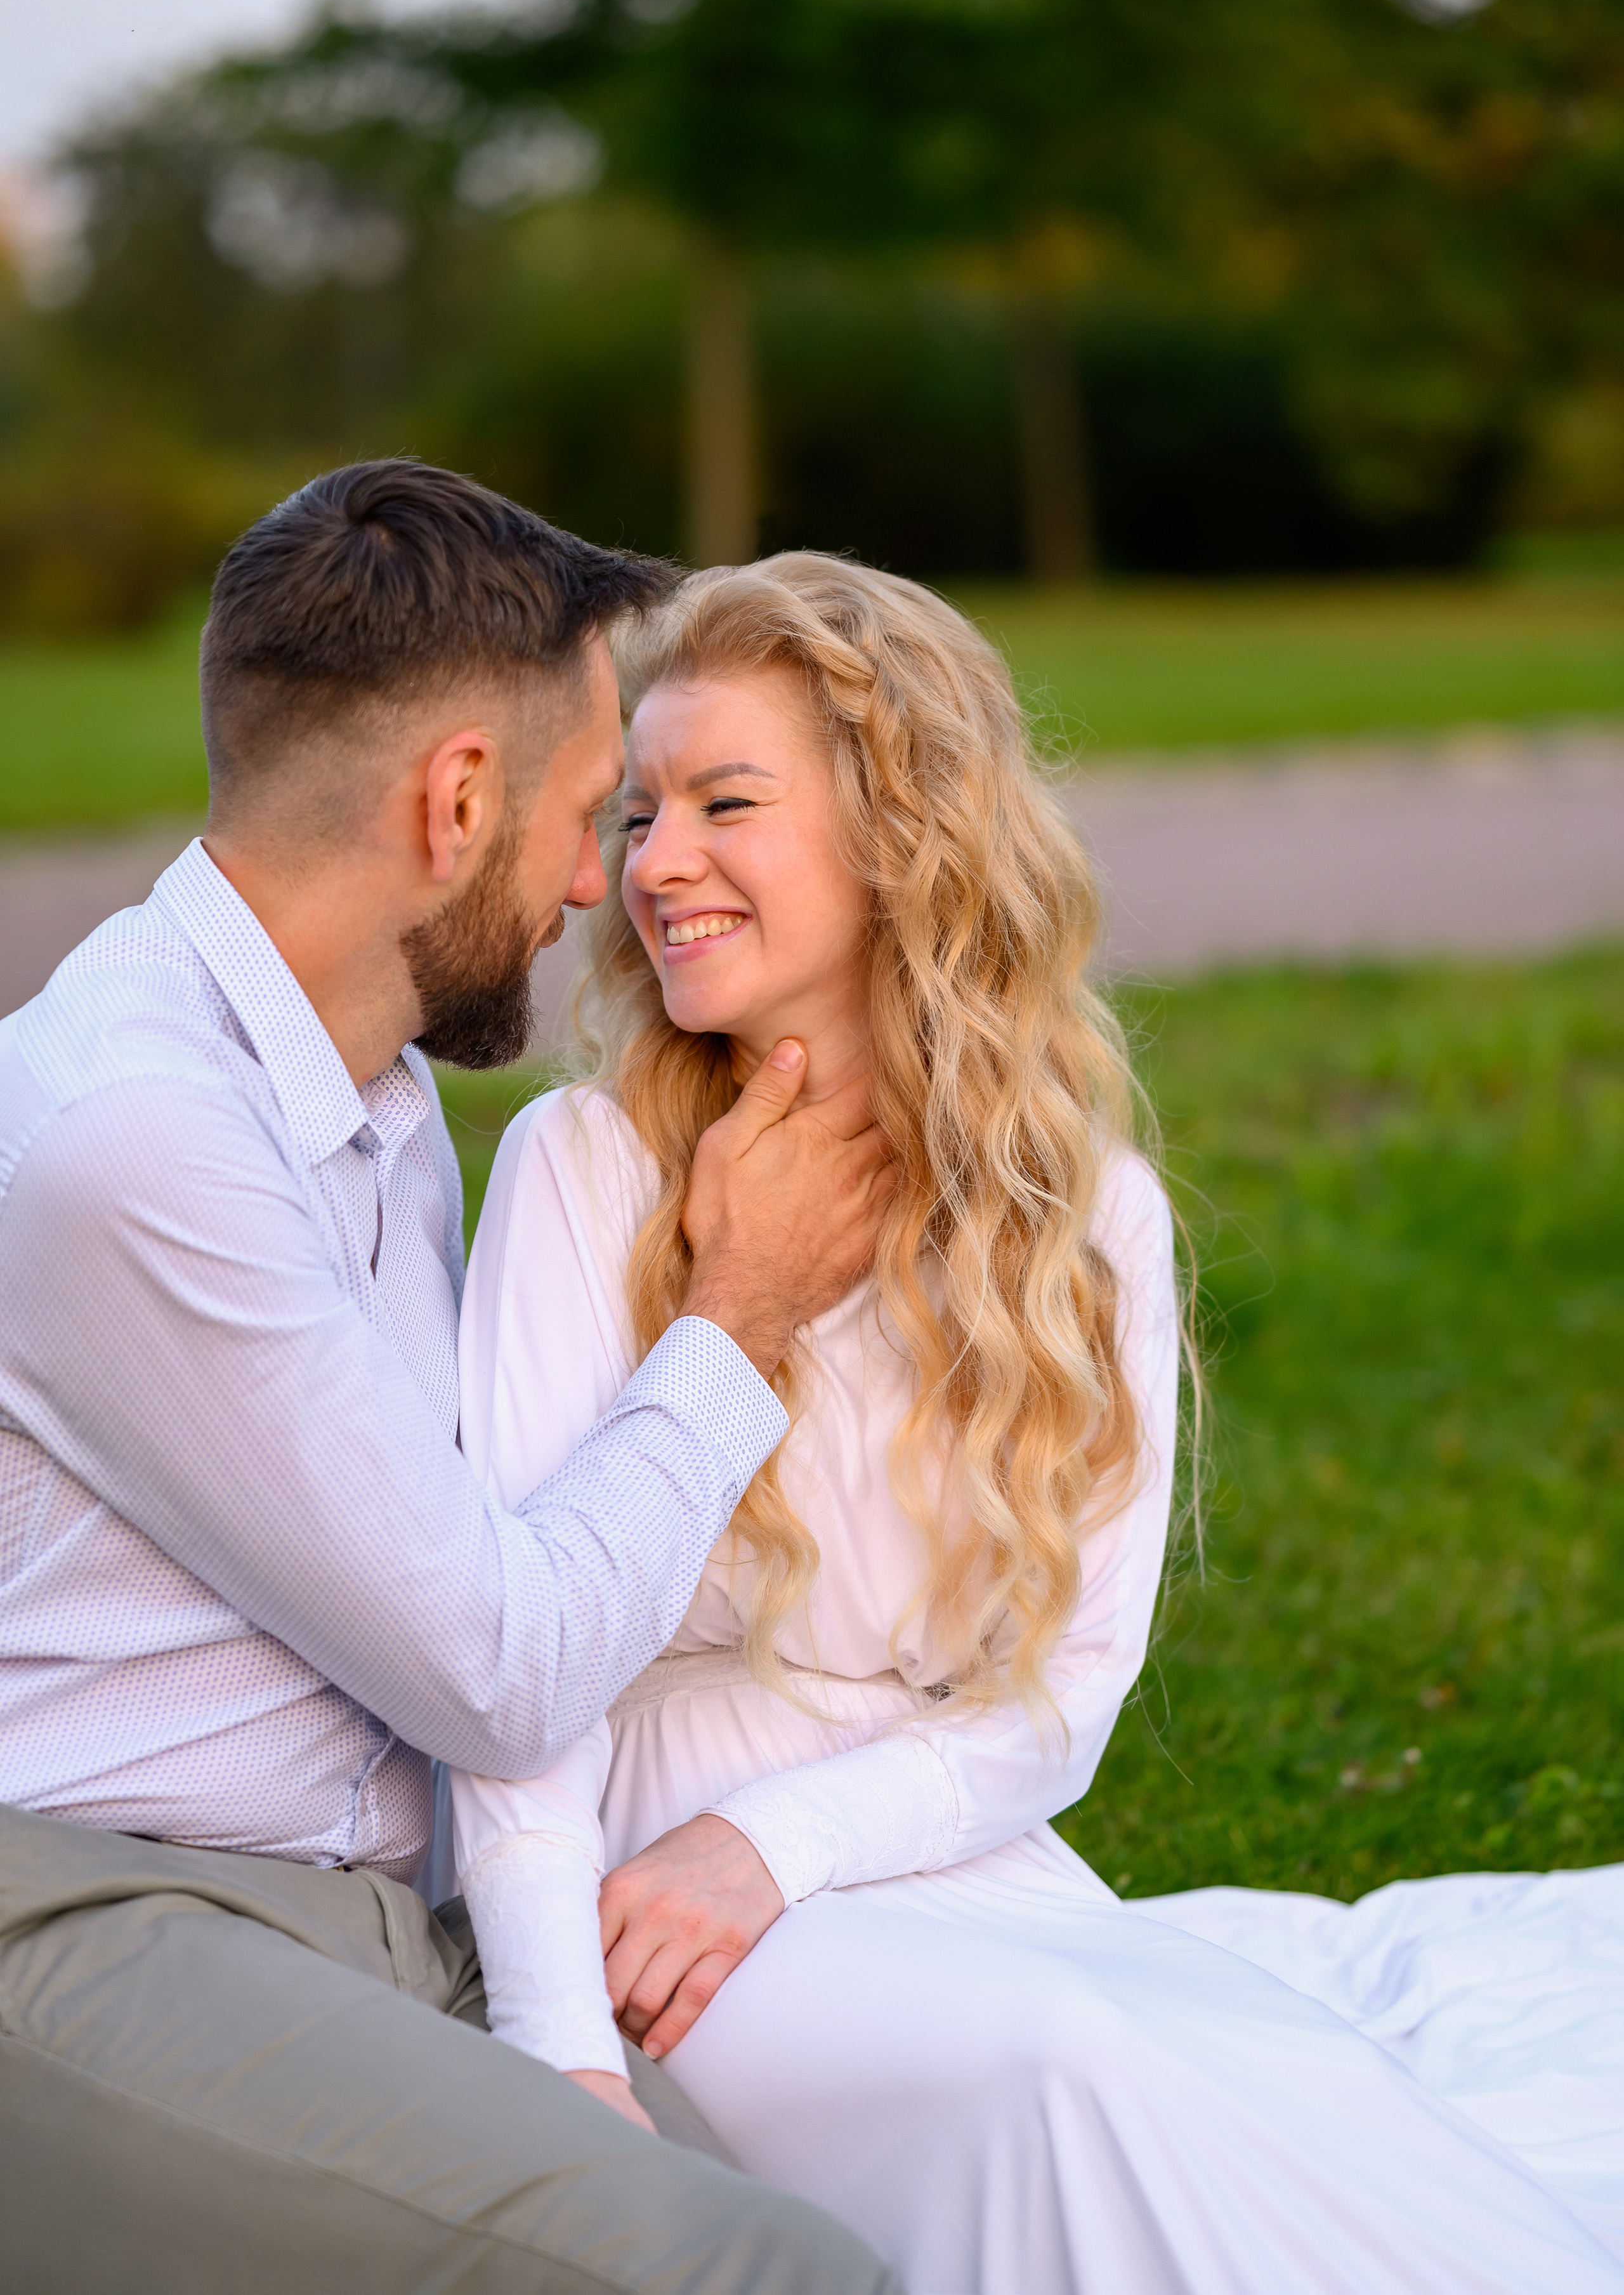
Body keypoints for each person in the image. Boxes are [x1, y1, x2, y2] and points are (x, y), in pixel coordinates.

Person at [450, 551, 1624, 2294]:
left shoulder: (1084, 1216)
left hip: (935, 1843)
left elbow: (1062, 1697)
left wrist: (782, 1845)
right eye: (638, 812)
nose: (653, 862)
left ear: (896, 831)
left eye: (724, 801)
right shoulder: (585, 1171)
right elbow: (512, 1672)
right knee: (1076, 2077)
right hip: (635, 1892)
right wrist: (558, 2056)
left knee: (1281, 2087)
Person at [0, 466, 905, 2295]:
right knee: (768, 2276)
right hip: (101, 1917)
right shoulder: (136, 1140)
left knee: (847, 2233)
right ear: (458, 799)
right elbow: (498, 1667)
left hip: (393, 1923)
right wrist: (738, 1318)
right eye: (589, 813)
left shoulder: (381, 1087)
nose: (603, 881)